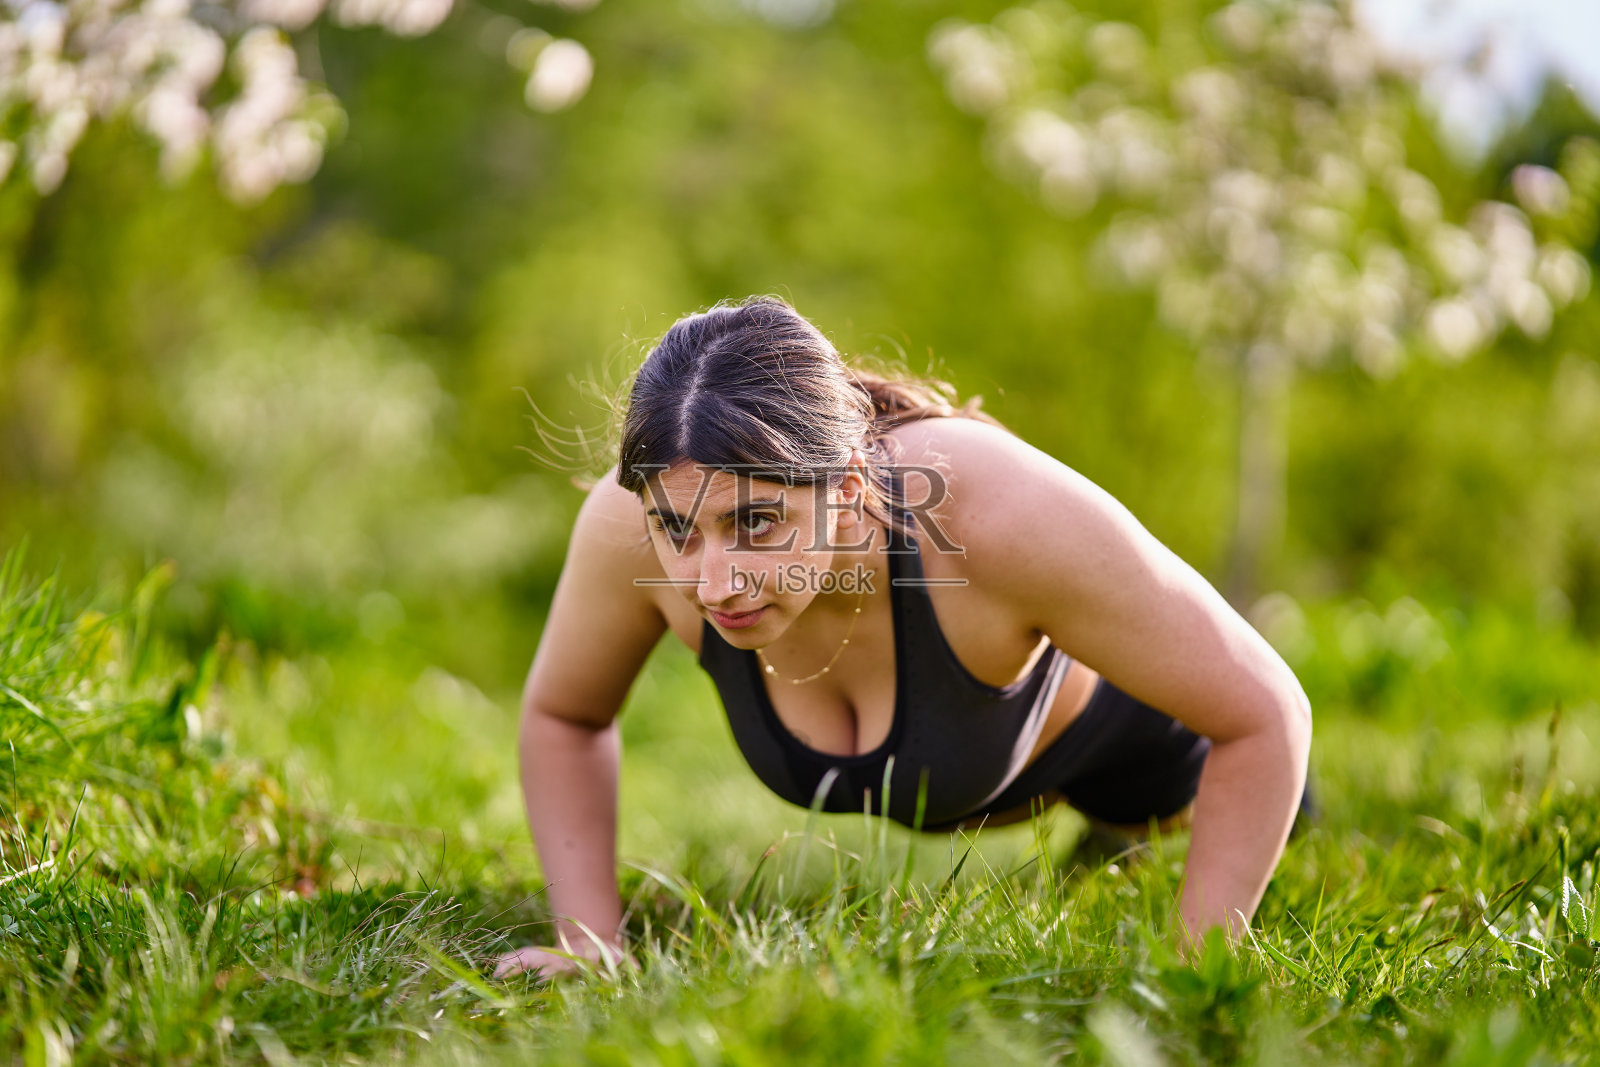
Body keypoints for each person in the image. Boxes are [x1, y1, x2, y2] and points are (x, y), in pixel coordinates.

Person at [493, 296, 1312, 980]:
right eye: (678, 531)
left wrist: (1199, 971)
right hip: (996, 786)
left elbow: (1264, 713)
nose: (712, 581)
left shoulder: (995, 512)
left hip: (1154, 776)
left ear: (848, 484)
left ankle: (1123, 842)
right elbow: (566, 712)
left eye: (757, 522)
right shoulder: (633, 519)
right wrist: (589, 938)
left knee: (1153, 833)